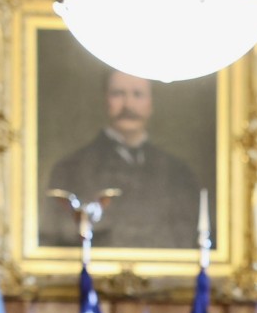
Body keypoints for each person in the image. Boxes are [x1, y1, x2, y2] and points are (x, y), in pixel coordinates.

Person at [42, 70, 201, 248]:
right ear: (105, 100)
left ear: (151, 103)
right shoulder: (71, 168)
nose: (128, 104)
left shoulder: (178, 173)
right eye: (118, 94)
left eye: (138, 94)